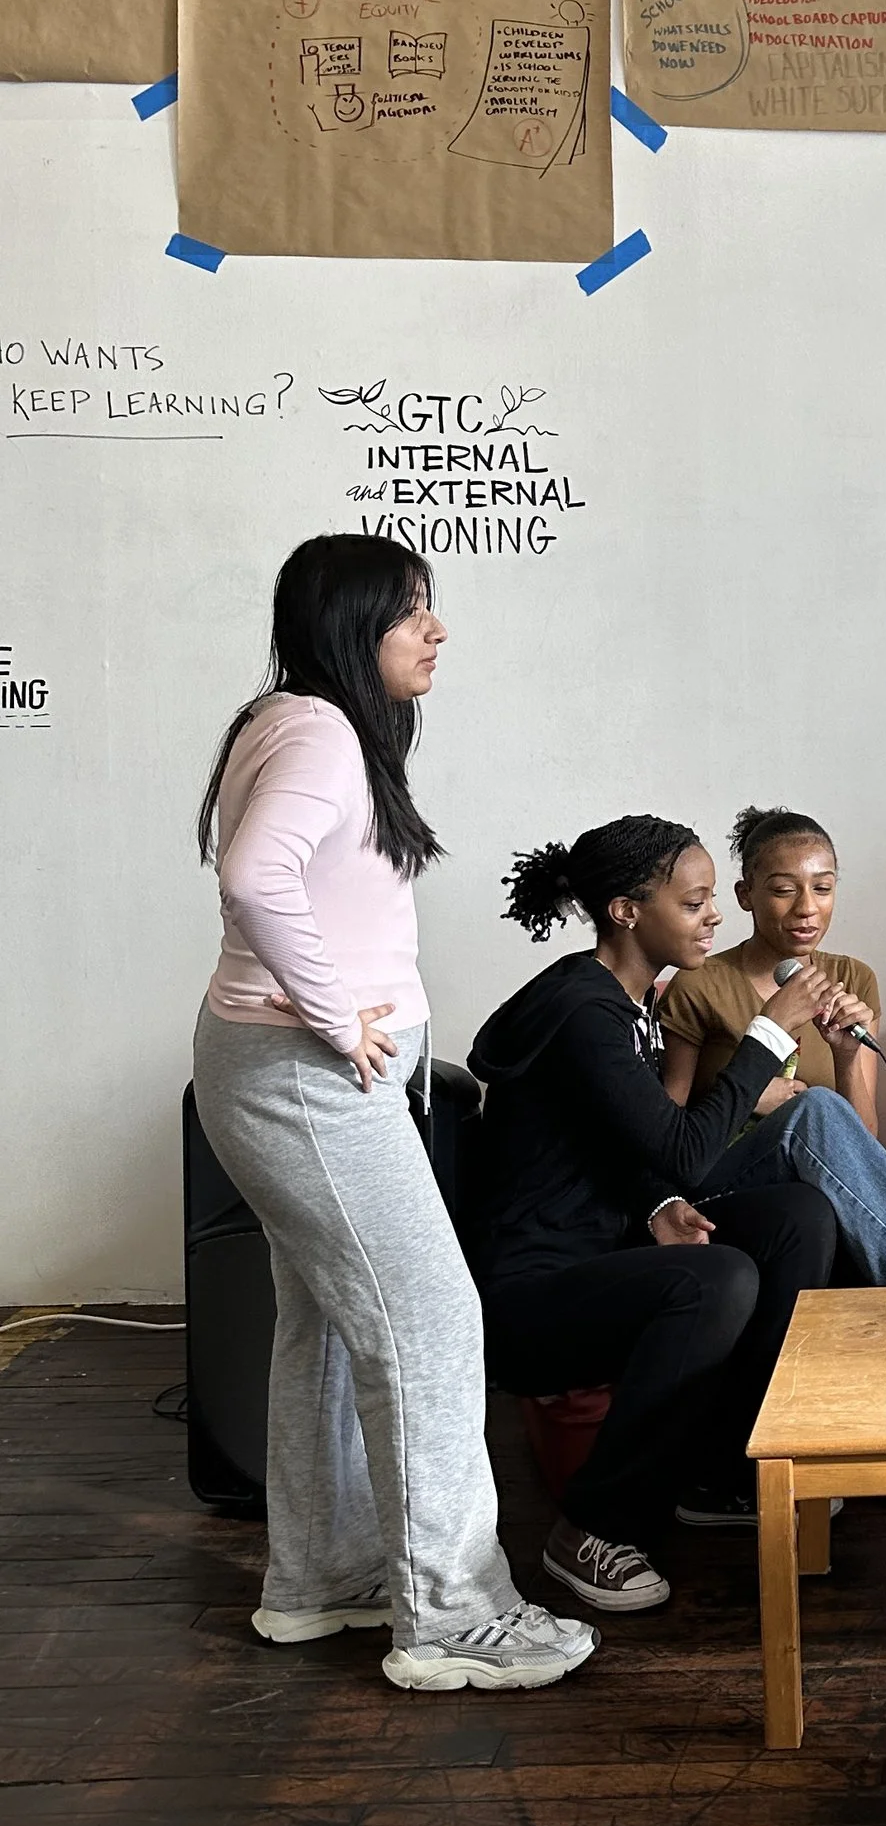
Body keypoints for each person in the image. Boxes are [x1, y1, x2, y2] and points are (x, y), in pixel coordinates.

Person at [191, 534, 593, 1696]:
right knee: (429, 1322)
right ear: (352, 625)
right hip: (305, 1083)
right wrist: (334, 1017)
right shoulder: (319, 732)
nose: (438, 630)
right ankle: (453, 1614)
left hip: (278, 1075)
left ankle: (326, 1577)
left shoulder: (289, 719)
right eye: (414, 611)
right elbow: (256, 876)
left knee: (324, 1330)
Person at [464, 818, 847, 1610]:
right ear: (627, 911)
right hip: (532, 1294)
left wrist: (657, 1204)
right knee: (719, 1279)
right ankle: (590, 1527)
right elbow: (679, 1144)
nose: (714, 916)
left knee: (798, 1218)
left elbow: (629, 1149)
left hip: (601, 1247)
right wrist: (771, 1030)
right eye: (696, 901)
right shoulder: (583, 1012)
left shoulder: (628, 1005)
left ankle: (721, 1473)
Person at [658, 804, 886, 1287]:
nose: (806, 907)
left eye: (822, 888)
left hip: (813, 1180)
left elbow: (862, 1139)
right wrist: (752, 1100)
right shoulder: (700, 984)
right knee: (816, 1109)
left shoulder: (852, 979)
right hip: (724, 1178)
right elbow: (665, 1136)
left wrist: (845, 1054)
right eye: (783, 890)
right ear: (746, 895)